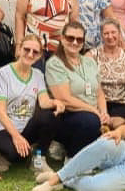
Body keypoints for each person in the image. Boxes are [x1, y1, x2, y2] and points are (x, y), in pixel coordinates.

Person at [0, 35, 58, 172]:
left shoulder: (38, 74)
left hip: (24, 126)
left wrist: (56, 103)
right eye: (27, 49)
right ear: (19, 49)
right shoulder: (3, 73)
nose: (30, 54)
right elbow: (0, 111)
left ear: (39, 55)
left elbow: (44, 103)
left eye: (35, 52)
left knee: (50, 115)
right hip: (2, 128)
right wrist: (16, 137)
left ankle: (38, 158)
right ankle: (1, 153)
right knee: (16, 154)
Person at [45, 22, 108, 156]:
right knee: (90, 121)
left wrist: (104, 113)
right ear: (62, 39)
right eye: (70, 38)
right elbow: (64, 99)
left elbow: (99, 92)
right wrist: (94, 111)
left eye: (79, 39)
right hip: (68, 115)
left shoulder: (89, 62)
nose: (74, 42)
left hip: (93, 114)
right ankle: (72, 157)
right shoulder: (55, 64)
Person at [95, 19, 125, 122]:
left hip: (124, 104)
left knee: (116, 123)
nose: (110, 36)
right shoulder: (93, 55)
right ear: (101, 36)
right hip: (99, 103)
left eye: (113, 32)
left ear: (120, 34)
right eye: (106, 33)